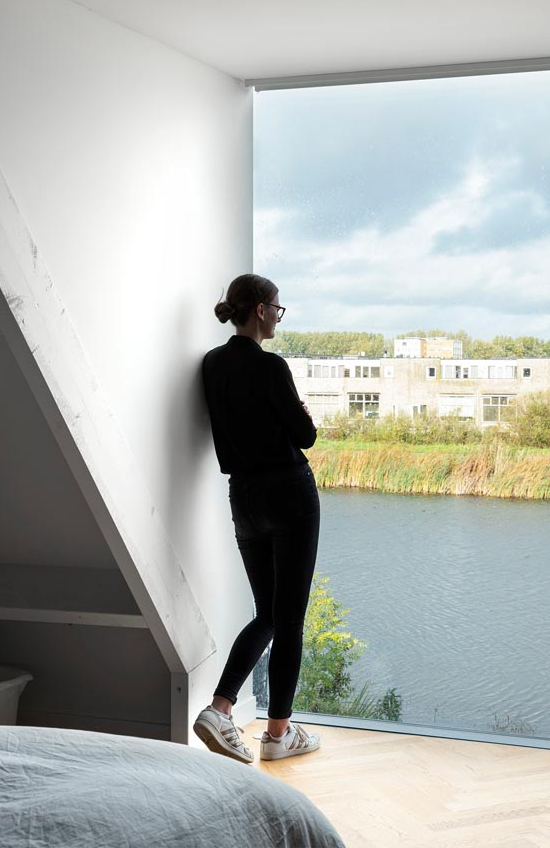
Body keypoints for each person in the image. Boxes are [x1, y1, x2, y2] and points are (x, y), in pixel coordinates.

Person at [193, 273, 321, 763]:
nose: (278, 317)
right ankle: (277, 735)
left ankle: (221, 709)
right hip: (289, 491)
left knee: (267, 613)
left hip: (243, 494)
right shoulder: (271, 367)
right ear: (261, 309)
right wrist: (301, 414)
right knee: (289, 620)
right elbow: (305, 435)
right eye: (277, 308)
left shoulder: (211, 364)